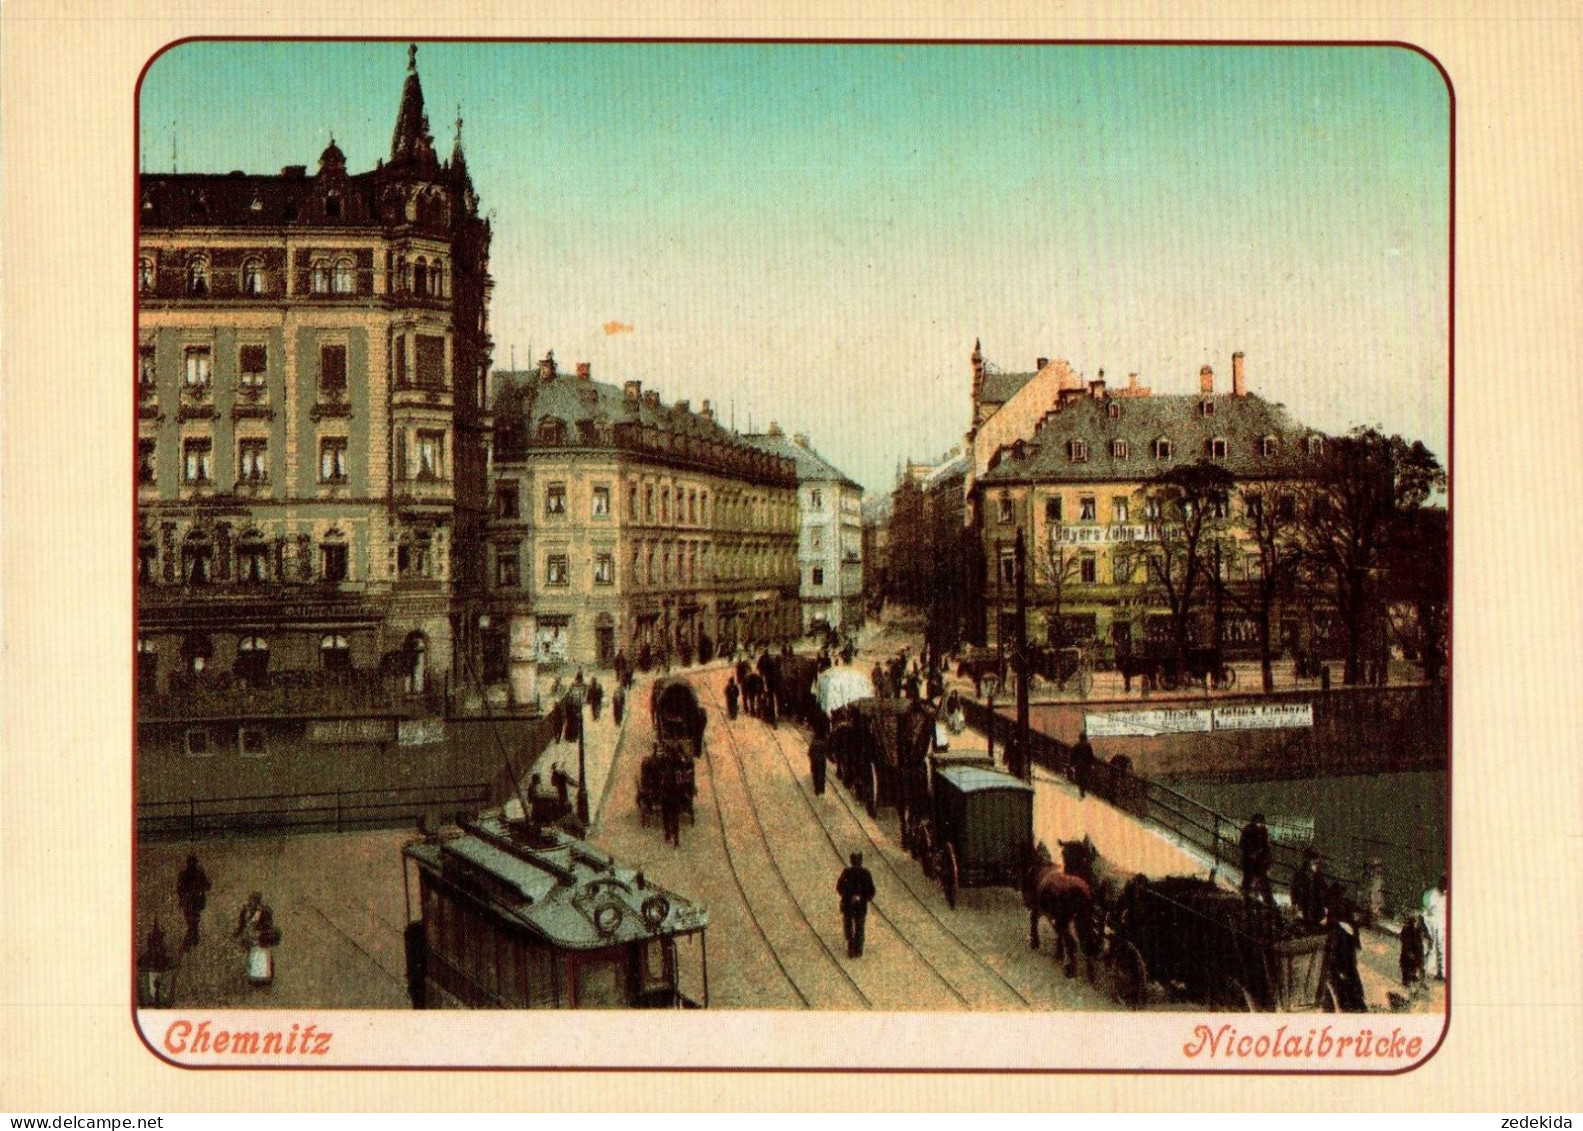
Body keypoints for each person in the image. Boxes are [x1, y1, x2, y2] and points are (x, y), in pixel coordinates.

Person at [1325, 901, 1368, 1012]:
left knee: (1350, 993)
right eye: (1355, 913)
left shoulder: (1348, 927)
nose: (1357, 917)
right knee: (1346, 994)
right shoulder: (1341, 929)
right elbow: (1340, 952)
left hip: (1347, 968)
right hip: (1342, 968)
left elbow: (1354, 949)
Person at [836, 852, 877, 958]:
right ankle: (857, 949)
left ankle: (853, 948)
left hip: (849, 906)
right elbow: (871, 891)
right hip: (858, 907)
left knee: (851, 928)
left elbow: (839, 887)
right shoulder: (865, 874)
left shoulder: (847, 873)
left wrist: (850, 896)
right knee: (858, 928)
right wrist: (861, 897)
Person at [175, 854, 211, 951]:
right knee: (193, 924)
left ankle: (189, 943)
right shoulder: (196, 874)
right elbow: (207, 886)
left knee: (193, 924)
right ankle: (189, 943)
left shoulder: (189, 874)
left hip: (191, 904)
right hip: (193, 903)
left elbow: (180, 890)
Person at [1239, 814, 1275, 907]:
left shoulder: (1262, 831)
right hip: (1251, 860)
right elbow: (1243, 844)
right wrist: (1251, 852)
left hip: (1258, 861)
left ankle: (1267, 901)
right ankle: (1249, 898)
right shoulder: (1250, 831)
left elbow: (1266, 847)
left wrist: (1263, 856)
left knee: (1260, 880)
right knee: (1251, 879)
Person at [1422, 873, 1448, 981]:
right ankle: (1428, 971)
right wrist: (1427, 928)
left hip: (1442, 923)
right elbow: (1425, 912)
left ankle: (1442, 973)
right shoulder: (1431, 894)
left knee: (1442, 947)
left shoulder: (1447, 896)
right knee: (1432, 947)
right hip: (1431, 923)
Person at [1290, 847, 1323, 928]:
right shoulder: (1300, 874)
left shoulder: (1318, 875)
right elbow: (1294, 889)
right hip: (1304, 902)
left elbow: (1321, 889)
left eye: (1318, 863)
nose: (1317, 866)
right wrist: (1294, 902)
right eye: (1315, 863)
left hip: (1314, 903)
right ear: (1308, 863)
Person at [1399, 911, 1428, 989]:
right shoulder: (1407, 929)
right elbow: (1404, 940)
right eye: (1413, 921)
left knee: (1413, 965)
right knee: (1406, 967)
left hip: (1412, 950)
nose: (1414, 923)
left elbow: (1414, 940)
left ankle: (1414, 979)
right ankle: (1405, 982)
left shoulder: (1414, 929)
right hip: (1406, 951)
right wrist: (1409, 951)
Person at [659, 762, 683, 847]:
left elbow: (662, 787)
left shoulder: (665, 776)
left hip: (668, 801)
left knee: (668, 820)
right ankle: (674, 840)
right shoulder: (676, 777)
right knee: (674, 820)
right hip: (672, 801)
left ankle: (669, 837)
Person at [1070, 731, 1096, 800]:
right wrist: (1092, 764)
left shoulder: (1076, 746)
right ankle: (1083, 792)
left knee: (1079, 778)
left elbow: (1072, 756)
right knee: (1084, 779)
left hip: (1078, 765)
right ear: (1085, 738)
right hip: (1086, 765)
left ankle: (1082, 792)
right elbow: (1091, 756)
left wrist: (1072, 765)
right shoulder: (1088, 746)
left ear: (1080, 738)